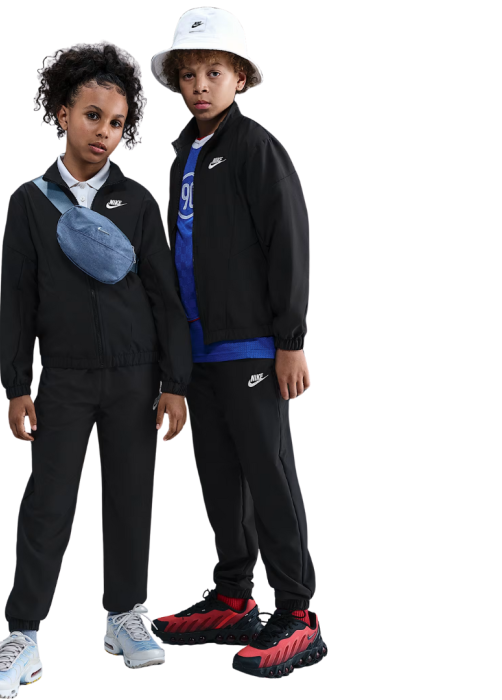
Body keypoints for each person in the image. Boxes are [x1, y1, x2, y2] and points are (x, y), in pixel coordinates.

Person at [0, 42, 193, 698]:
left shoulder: (137, 202)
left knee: (129, 496)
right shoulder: (30, 203)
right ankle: (23, 635)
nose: (104, 132)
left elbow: (165, 297)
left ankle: (124, 614)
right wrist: (16, 384)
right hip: (64, 380)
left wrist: (175, 382)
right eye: (92, 115)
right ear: (62, 113)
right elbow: (17, 298)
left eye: (117, 122)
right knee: (48, 503)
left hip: (136, 377)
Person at [149, 8, 328, 679]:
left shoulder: (255, 148)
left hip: (253, 347)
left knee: (269, 476)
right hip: (200, 352)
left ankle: (298, 613)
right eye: (188, 74)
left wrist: (291, 339)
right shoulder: (184, 156)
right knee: (220, 478)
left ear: (240, 78)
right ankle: (233, 598)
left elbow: (289, 241)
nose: (200, 85)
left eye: (214, 72)